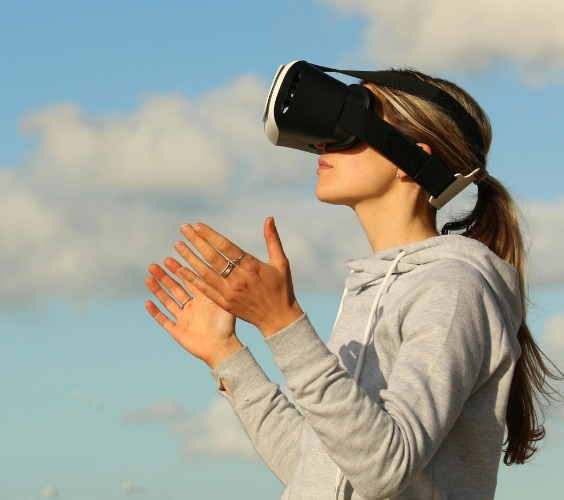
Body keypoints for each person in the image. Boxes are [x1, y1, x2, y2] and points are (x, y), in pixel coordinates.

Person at [144, 70, 562, 499]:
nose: (321, 142)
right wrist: (225, 355)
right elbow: (320, 471)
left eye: (349, 123)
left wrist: (282, 323)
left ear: (410, 159)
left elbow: (385, 470)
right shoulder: (370, 288)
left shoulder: (454, 289)